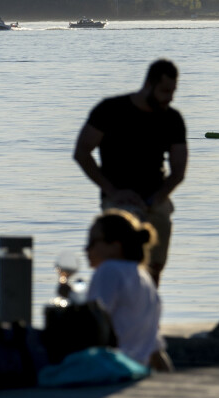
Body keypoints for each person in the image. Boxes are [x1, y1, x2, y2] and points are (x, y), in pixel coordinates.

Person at [73, 58, 188, 287]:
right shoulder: (110, 110)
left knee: (157, 252)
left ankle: (148, 301)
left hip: (155, 197)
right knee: (123, 257)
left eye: (173, 91)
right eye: (165, 91)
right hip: (118, 197)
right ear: (149, 84)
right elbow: (82, 153)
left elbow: (178, 171)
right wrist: (112, 191)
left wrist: (159, 196)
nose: (170, 98)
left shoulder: (172, 119)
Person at [85, 209, 172, 372]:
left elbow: (92, 325)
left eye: (93, 242)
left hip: (112, 367)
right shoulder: (144, 278)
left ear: (115, 246)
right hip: (137, 369)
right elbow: (155, 350)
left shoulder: (109, 270)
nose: (86, 249)